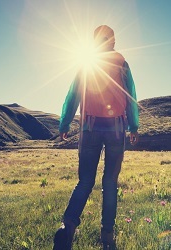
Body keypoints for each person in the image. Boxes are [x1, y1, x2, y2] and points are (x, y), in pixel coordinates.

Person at [53, 25, 139, 250]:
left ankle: (68, 227)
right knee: (110, 182)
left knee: (85, 181)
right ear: (112, 41)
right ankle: (107, 236)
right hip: (116, 129)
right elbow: (131, 96)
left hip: (89, 128)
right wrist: (134, 126)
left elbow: (72, 95)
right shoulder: (122, 63)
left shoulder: (86, 63)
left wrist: (64, 124)